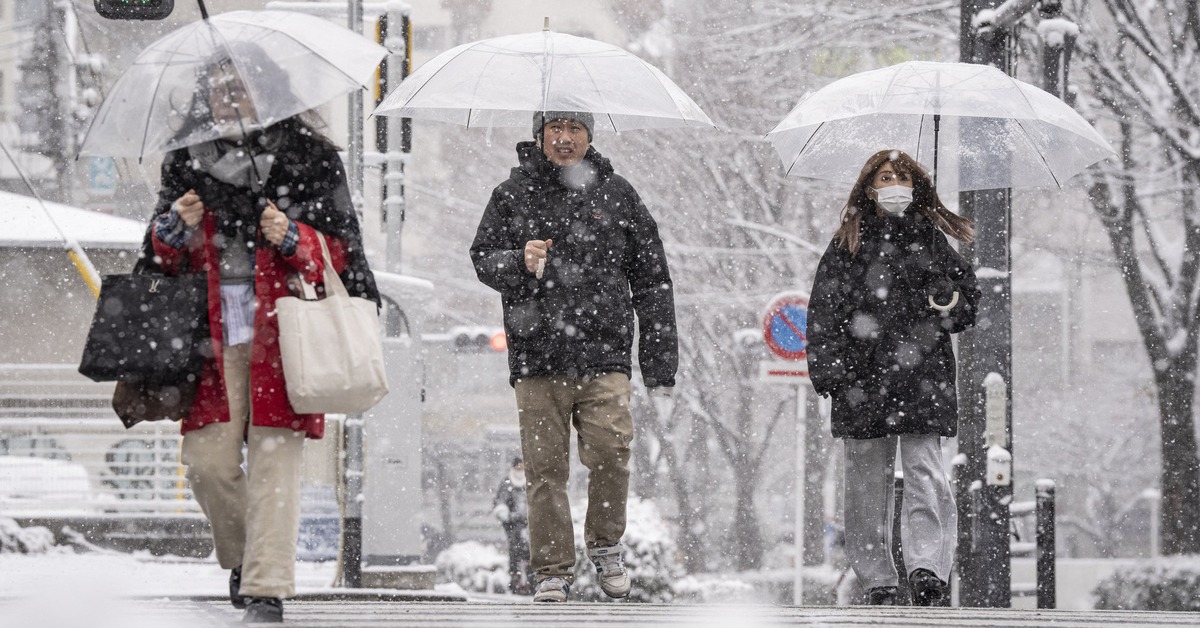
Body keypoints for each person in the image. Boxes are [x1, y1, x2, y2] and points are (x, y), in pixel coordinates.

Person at [141, 49, 378, 624]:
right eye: (220, 88)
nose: (231, 98)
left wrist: (293, 236)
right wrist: (173, 228)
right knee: (207, 464)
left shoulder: (310, 158)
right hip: (210, 334)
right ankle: (247, 559)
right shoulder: (186, 160)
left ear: (269, 92)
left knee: (276, 465)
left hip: (286, 332)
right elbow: (155, 256)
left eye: (243, 87)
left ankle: (266, 589)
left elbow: (344, 252)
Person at [470, 111, 678, 603]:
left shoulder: (619, 194)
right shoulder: (511, 194)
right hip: (537, 357)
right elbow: (483, 258)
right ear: (539, 135)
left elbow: (653, 282)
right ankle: (552, 571)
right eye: (555, 129)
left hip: (605, 355)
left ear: (589, 135)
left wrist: (659, 364)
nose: (564, 138)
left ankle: (605, 546)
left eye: (575, 129)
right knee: (544, 470)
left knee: (612, 451)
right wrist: (518, 260)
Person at [806, 149, 980, 607]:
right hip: (860, 380)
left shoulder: (933, 242)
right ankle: (877, 578)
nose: (894, 185)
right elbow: (823, 311)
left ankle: (928, 569)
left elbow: (966, 308)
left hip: (923, 376)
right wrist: (830, 372)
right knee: (865, 482)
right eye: (885, 177)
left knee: (926, 473)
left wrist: (947, 297)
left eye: (902, 176)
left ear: (916, 185)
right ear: (869, 187)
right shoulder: (847, 244)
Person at [492, 456, 534, 594]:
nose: (520, 470)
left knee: (530, 552)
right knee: (515, 552)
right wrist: (504, 513)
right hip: (513, 524)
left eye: (522, 467)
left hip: (530, 524)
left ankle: (531, 579)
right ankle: (515, 579)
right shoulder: (507, 483)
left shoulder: (531, 482)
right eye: (518, 467)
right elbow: (500, 500)